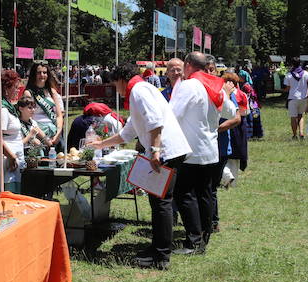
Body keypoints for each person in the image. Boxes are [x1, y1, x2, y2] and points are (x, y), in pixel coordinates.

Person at [90, 63, 190, 269]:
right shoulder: (140, 89)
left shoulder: (138, 90)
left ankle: (161, 257)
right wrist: (101, 144)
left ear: (121, 80)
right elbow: (129, 131)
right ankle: (157, 249)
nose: (115, 90)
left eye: (115, 85)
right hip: (165, 150)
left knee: (161, 204)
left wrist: (155, 151)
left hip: (165, 152)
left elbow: (155, 122)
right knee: (157, 203)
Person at [169, 52, 238, 253]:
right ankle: (204, 237)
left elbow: (172, 114)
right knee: (205, 194)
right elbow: (231, 112)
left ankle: (193, 241)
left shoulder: (189, 85)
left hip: (191, 152)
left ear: (188, 65)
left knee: (184, 195)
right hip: (210, 150)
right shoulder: (216, 84)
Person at [23, 62, 65, 151]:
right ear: (34, 74)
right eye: (39, 72)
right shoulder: (29, 93)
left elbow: (59, 115)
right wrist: (45, 138)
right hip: (39, 134)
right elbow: (28, 119)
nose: (42, 75)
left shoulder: (52, 92)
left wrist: (58, 133)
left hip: (55, 131)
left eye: (45, 72)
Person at [284, 57, 308, 139]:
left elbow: (287, 88)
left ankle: (294, 135)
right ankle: (301, 133)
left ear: (292, 64)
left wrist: (282, 90)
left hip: (293, 98)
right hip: (303, 98)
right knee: (301, 115)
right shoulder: (305, 73)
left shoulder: (289, 75)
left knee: (293, 117)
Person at [16, 96, 49, 161]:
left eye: (34, 107)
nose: (33, 110)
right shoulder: (17, 124)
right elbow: (18, 144)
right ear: (21, 109)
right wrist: (30, 136)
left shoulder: (33, 122)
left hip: (35, 155)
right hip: (22, 155)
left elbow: (44, 140)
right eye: (30, 108)